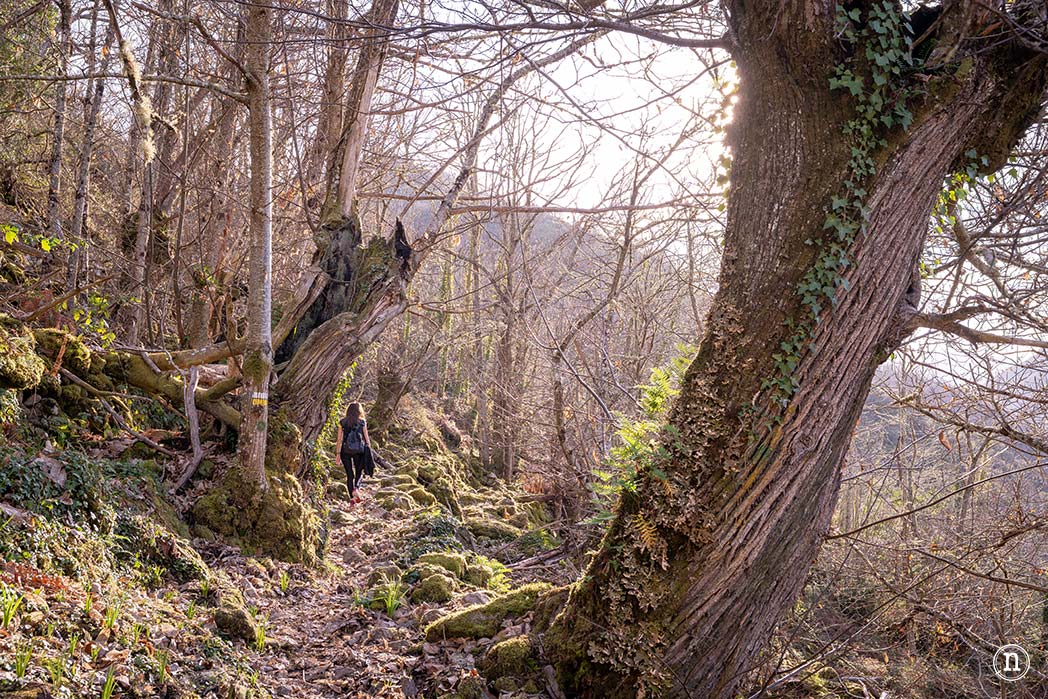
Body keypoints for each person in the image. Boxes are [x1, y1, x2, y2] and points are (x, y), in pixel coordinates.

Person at [335, 402, 371, 505]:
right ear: (359, 411)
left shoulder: (342, 422)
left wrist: (338, 454)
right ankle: (356, 489)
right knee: (359, 472)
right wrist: (369, 449)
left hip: (345, 451)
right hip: (359, 450)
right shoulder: (362, 422)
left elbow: (339, 440)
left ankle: (352, 498)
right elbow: (366, 438)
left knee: (349, 475)